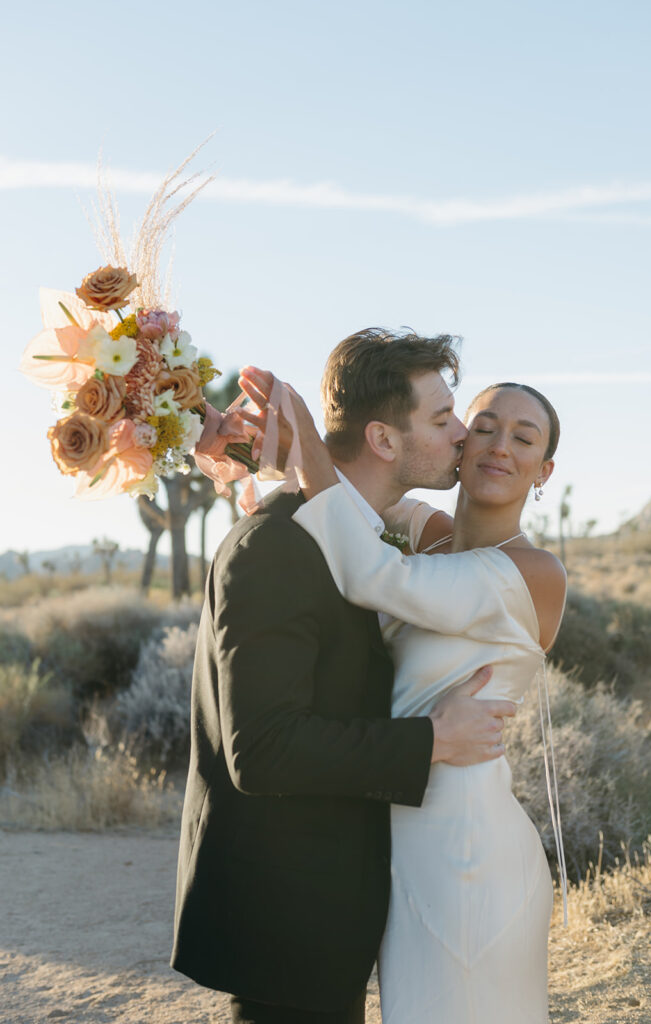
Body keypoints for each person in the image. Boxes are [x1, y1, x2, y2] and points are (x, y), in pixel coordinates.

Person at [171, 329, 519, 1024]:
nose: (461, 437)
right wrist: (432, 740)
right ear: (385, 440)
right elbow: (262, 749)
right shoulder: (276, 545)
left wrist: (287, 453)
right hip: (286, 923)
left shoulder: (357, 534)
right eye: (442, 418)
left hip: (336, 915)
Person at [238, 367, 567, 1024]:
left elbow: (373, 574)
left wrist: (304, 431)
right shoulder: (430, 536)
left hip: (467, 855)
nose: (500, 446)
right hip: (398, 845)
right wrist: (272, 447)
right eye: (484, 428)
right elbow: (358, 491)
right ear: (458, 444)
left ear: (544, 471)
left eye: (523, 439)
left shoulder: (532, 572)